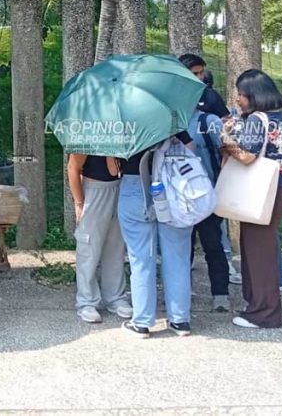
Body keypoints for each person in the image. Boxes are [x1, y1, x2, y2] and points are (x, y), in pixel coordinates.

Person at [222, 69, 282, 329]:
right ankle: (256, 306)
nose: (238, 99)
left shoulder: (256, 119)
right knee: (260, 247)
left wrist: (225, 138)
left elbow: (246, 156)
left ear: (253, 95)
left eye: (241, 94)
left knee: (258, 254)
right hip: (281, 186)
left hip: (262, 190)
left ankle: (265, 314)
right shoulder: (277, 117)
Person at [117, 130, 195, 338]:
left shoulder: (124, 124)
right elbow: (190, 148)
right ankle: (180, 320)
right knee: (177, 257)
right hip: (172, 186)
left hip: (135, 185)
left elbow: (113, 162)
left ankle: (142, 322)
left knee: (141, 258)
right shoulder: (171, 119)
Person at [67, 153, 133, 323]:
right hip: (93, 188)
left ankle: (115, 296)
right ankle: (86, 301)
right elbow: (73, 167)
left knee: (116, 246)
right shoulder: (87, 136)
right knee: (89, 247)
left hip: (119, 185)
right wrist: (79, 202)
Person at [187, 109, 232, 312]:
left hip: (208, 195)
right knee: (181, 249)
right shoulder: (168, 120)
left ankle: (221, 293)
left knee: (213, 245)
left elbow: (227, 151)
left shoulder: (209, 121)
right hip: (180, 198)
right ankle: (182, 292)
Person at [179, 54, 231, 119]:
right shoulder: (173, 96)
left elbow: (226, 119)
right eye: (195, 74)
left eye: (201, 72)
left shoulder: (210, 95)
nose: (200, 77)